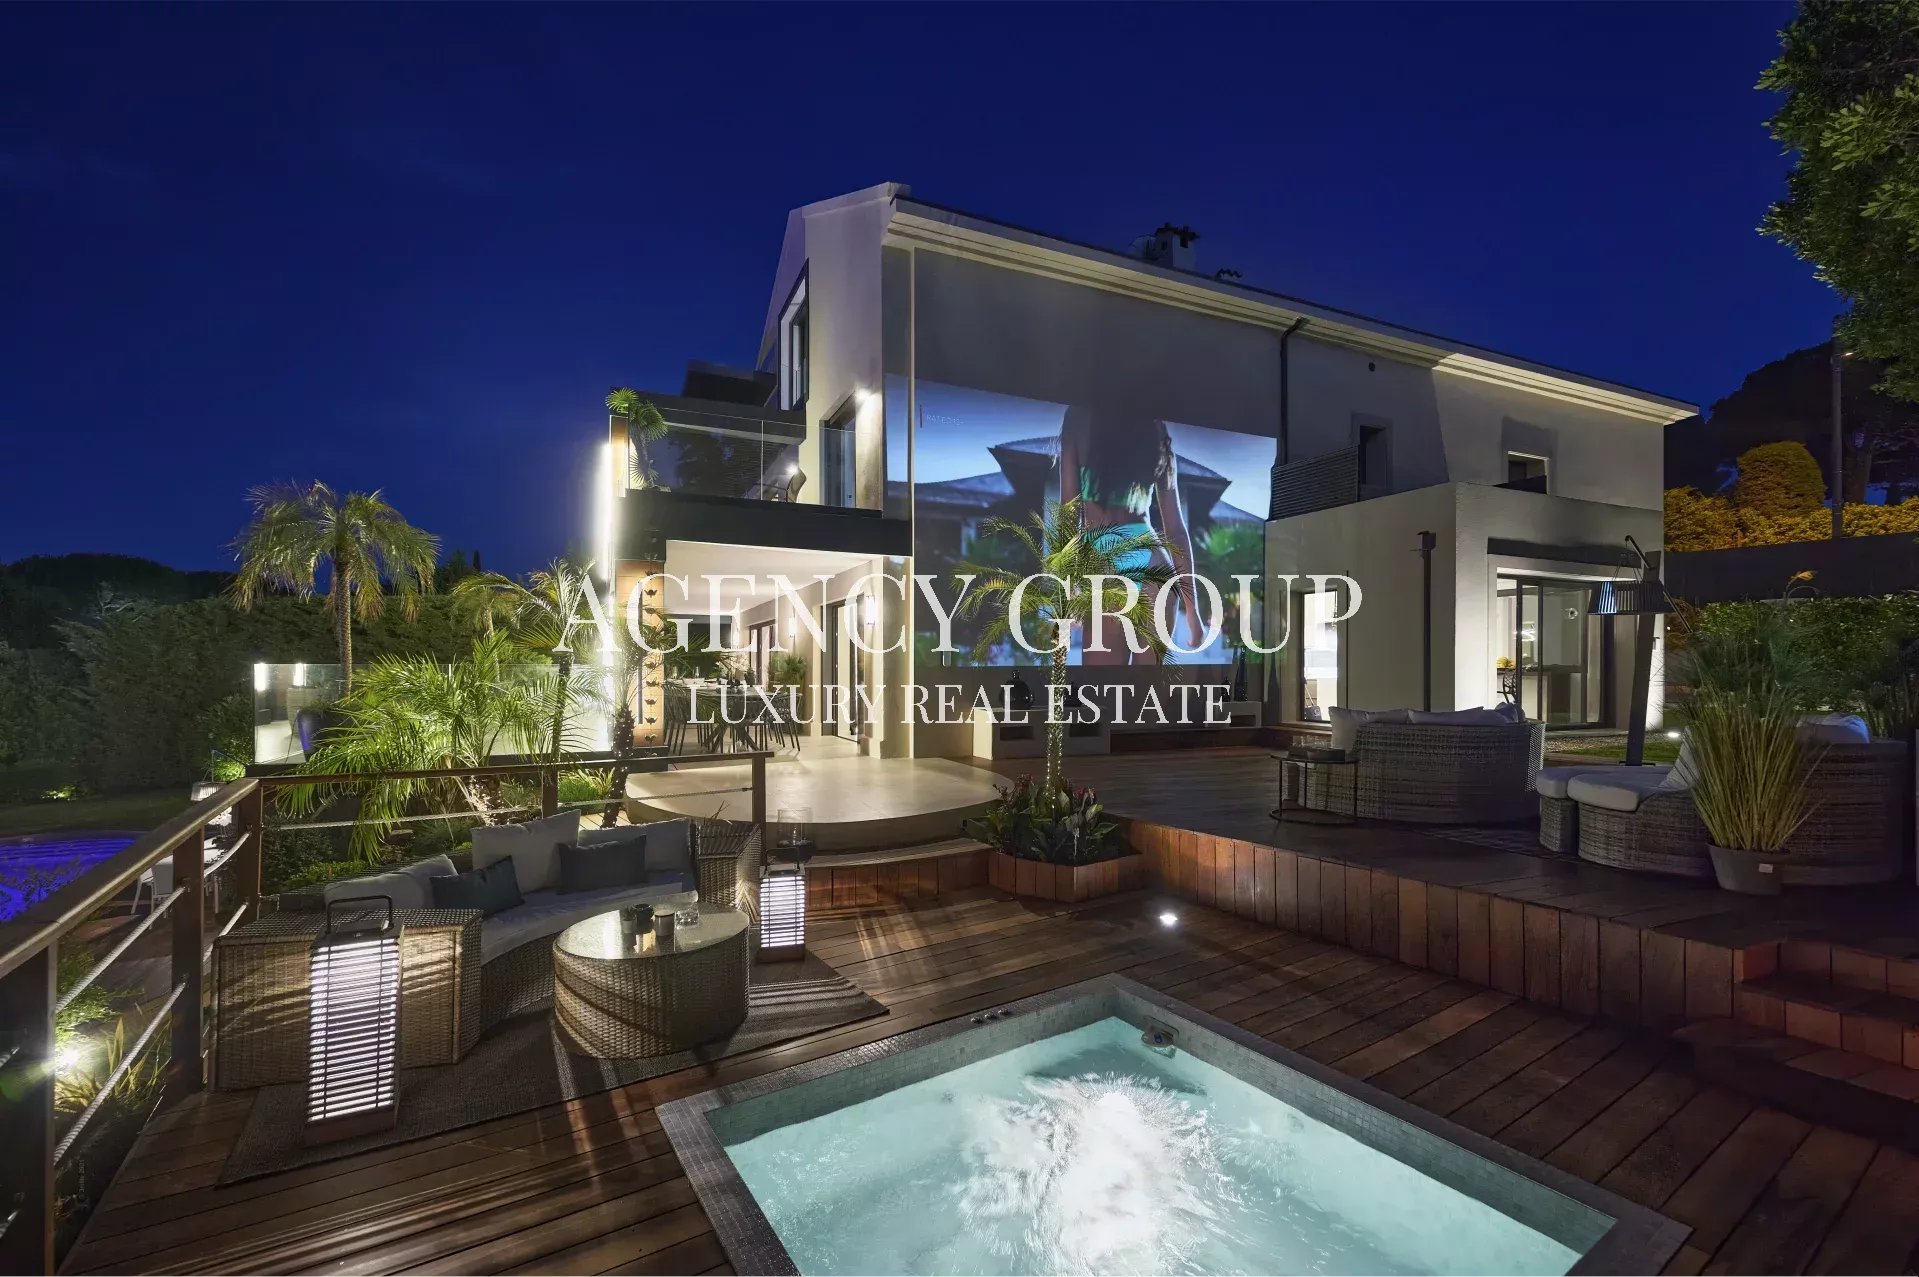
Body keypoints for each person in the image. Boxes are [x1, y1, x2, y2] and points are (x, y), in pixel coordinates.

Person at [1054, 404, 1203, 663]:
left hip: (1105, 563)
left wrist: (1067, 597)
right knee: (1146, 699)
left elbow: (1068, 517)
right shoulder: (1156, 427)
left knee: (1103, 698)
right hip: (1153, 564)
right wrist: (1192, 610)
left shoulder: (1078, 416)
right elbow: (1176, 531)